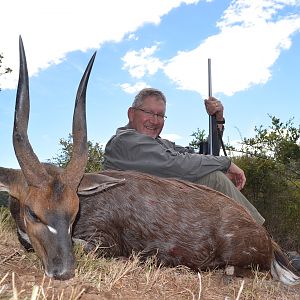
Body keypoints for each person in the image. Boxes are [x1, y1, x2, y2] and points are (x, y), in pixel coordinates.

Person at [103, 88, 264, 225]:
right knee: (214, 178)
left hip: (156, 209)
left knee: (211, 172)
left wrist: (218, 120)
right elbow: (174, 164)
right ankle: (265, 240)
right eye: (148, 112)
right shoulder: (123, 141)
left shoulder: (160, 143)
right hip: (131, 217)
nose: (154, 120)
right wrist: (225, 163)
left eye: (160, 115)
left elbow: (202, 156)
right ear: (131, 114)